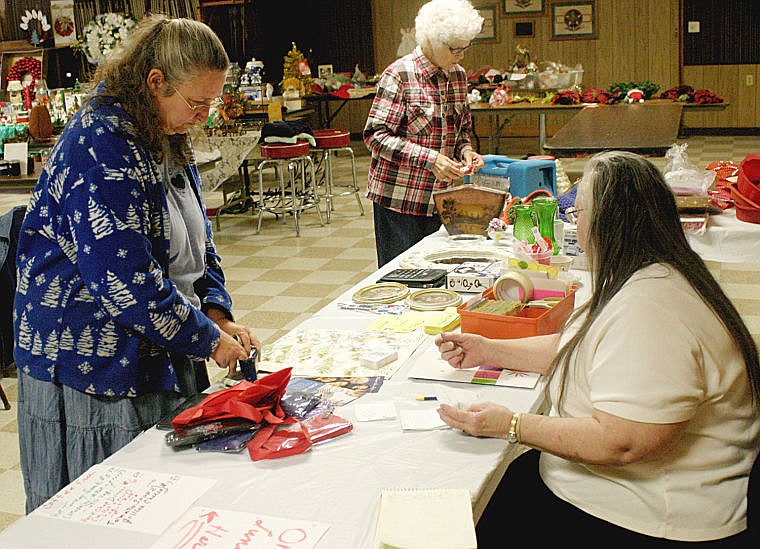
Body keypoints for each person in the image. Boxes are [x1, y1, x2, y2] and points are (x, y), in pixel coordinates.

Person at [435, 150, 760, 545]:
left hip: (650, 515)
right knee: (487, 495)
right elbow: (580, 350)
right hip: (611, 488)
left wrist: (511, 425)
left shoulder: (651, 310)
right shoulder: (653, 273)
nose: (576, 227)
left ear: (606, 223)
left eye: (577, 215)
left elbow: (622, 442)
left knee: (465, 516)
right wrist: (487, 349)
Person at [13, 15, 261, 513]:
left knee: (167, 507)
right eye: (196, 103)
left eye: (211, 103)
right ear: (154, 82)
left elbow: (196, 235)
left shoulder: (161, 130)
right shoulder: (100, 144)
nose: (204, 116)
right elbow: (127, 284)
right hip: (92, 366)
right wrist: (210, 341)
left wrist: (216, 310)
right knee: (109, 515)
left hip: (156, 344)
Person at [363, 0, 485, 267]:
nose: (461, 55)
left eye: (466, 47)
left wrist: (466, 151)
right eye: (455, 49)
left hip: (443, 201)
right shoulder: (399, 75)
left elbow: (461, 129)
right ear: (431, 41)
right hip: (399, 202)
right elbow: (375, 136)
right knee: (403, 276)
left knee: (439, 276)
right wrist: (430, 159)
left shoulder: (458, 76)